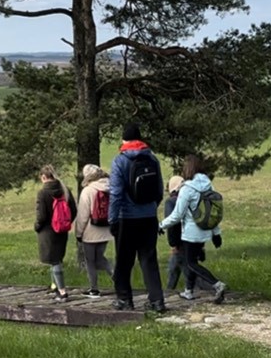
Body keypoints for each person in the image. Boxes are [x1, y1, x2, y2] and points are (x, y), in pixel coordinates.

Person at [108, 122, 166, 313]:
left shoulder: (120, 161)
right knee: (149, 259)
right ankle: (157, 301)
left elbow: (115, 194)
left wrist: (113, 219)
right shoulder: (153, 159)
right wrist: (151, 208)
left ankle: (125, 299)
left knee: (124, 260)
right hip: (149, 217)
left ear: (124, 140)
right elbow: (159, 189)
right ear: (140, 139)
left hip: (127, 218)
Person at [159, 155, 227, 304]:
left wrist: (161, 225)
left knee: (191, 263)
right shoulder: (209, 185)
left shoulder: (187, 189)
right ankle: (188, 291)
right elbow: (212, 211)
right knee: (192, 260)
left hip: (191, 232)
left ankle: (217, 284)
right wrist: (216, 233)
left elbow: (177, 215)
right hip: (205, 230)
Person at [35, 165, 76, 302]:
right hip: (62, 230)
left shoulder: (43, 193)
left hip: (48, 231)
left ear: (43, 177)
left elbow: (41, 216)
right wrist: (64, 222)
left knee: (54, 261)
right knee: (57, 258)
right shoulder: (65, 190)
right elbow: (73, 211)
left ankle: (62, 291)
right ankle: (55, 287)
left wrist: (37, 226)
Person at [74, 164, 114, 298]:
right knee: (101, 258)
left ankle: (94, 289)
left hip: (90, 231)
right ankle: (118, 279)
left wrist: (78, 233)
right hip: (106, 229)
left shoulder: (88, 190)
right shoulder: (110, 187)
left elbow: (83, 216)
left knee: (90, 260)